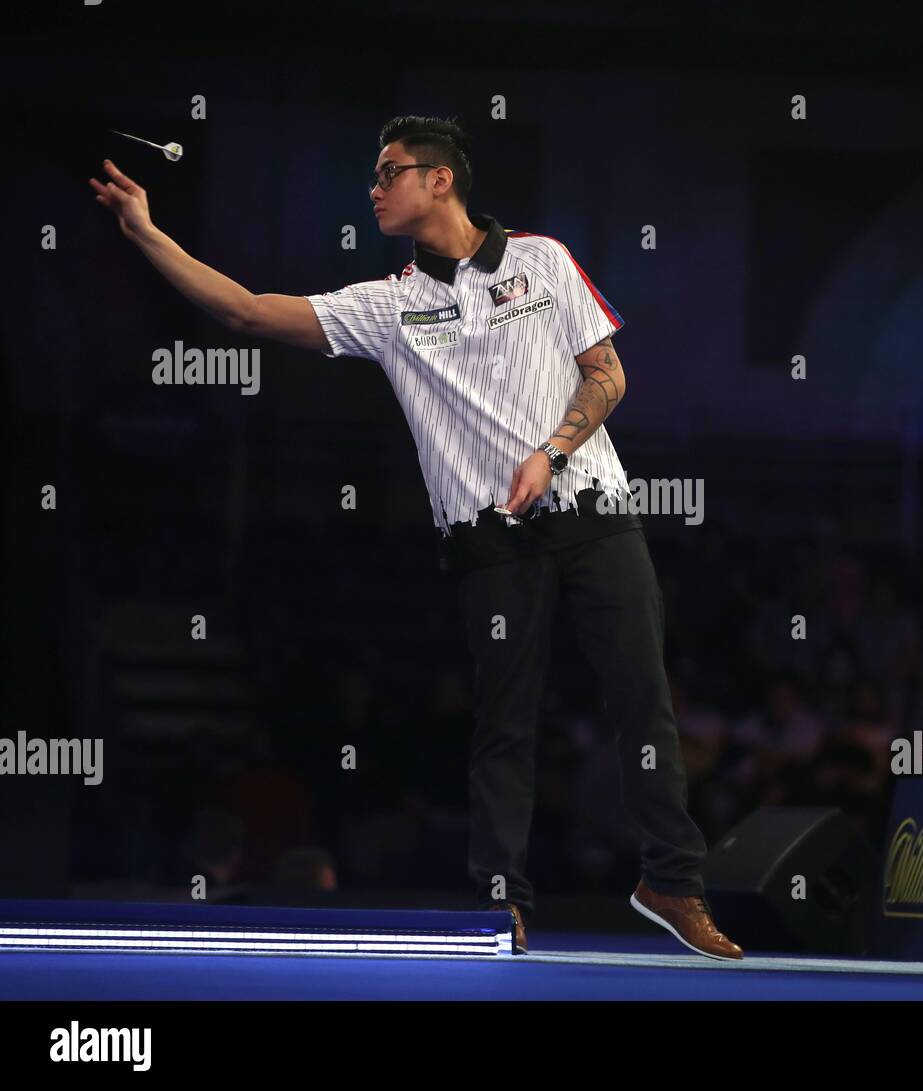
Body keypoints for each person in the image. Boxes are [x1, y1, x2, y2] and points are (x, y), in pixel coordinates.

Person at [90, 114, 741, 960]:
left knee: (642, 700)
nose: (374, 187)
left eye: (389, 171)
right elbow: (250, 314)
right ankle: (501, 901)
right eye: (373, 173)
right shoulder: (389, 305)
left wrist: (552, 451)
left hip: (595, 512)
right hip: (488, 541)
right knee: (506, 725)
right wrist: (148, 235)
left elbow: (607, 372)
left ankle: (672, 882)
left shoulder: (542, 260)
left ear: (441, 180)